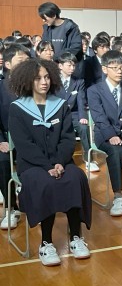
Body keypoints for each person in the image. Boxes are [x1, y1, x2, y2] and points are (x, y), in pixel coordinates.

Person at [8, 58, 92, 266]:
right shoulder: (17, 108)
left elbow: (68, 139)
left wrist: (60, 163)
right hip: (32, 164)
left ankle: (76, 236)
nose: (44, 82)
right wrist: (47, 166)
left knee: (76, 178)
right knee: (45, 183)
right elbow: (24, 145)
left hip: (61, 161)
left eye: (47, 77)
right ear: (28, 81)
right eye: (38, 78)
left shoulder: (60, 105)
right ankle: (46, 242)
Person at [87, 50, 122, 217]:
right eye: (115, 67)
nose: (120, 71)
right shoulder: (94, 90)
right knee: (115, 151)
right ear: (105, 69)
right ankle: (118, 196)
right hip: (104, 134)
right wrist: (111, 135)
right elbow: (99, 117)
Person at [0, 44, 31, 229]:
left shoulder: (37, 85)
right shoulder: (1, 87)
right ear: (8, 64)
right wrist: (1, 141)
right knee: (2, 161)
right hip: (7, 138)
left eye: (28, 60)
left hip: (33, 139)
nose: (26, 64)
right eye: (21, 61)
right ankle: (11, 208)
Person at [56, 52, 98, 173]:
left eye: (73, 65)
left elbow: (81, 100)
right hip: (57, 114)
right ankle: (58, 160)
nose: (72, 68)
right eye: (69, 65)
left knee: (84, 127)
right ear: (60, 66)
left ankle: (88, 159)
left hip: (73, 114)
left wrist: (82, 116)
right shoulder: (53, 81)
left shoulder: (79, 81)